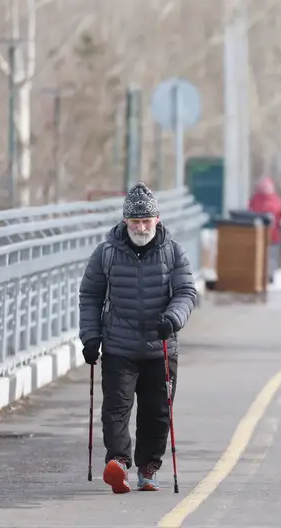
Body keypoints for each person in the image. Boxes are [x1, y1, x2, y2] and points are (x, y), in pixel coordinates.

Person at [78, 182, 198, 494]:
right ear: (125, 222)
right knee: (116, 408)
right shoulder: (106, 253)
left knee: (158, 411)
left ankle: (149, 468)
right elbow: (90, 295)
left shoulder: (173, 252)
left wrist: (172, 319)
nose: (141, 227)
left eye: (146, 221)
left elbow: (186, 292)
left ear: (157, 220)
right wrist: (90, 337)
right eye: (135, 222)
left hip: (160, 346)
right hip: (119, 345)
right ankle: (117, 462)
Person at [248, 176, 281, 283]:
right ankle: (259, 275)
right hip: (257, 234)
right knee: (259, 255)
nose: (266, 189)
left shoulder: (277, 200)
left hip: (273, 234)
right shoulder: (255, 199)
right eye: (263, 187)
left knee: (271, 256)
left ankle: (270, 275)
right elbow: (249, 212)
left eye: (267, 187)